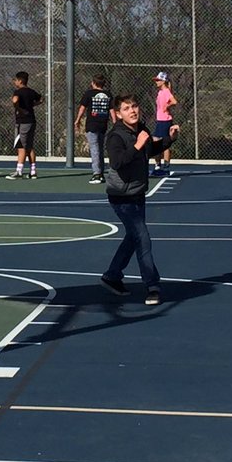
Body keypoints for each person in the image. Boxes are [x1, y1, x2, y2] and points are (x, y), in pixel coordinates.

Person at [101, 95, 179, 305]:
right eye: (127, 108)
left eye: (134, 106)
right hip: (121, 197)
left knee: (133, 237)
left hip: (137, 193)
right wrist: (137, 145)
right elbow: (117, 162)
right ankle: (152, 286)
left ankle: (112, 275)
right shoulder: (115, 136)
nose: (132, 111)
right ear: (119, 114)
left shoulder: (141, 129)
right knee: (142, 238)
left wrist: (169, 139)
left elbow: (150, 149)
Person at [75, 74, 113, 185]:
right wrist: (115, 122)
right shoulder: (108, 94)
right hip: (103, 124)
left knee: (94, 148)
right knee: (99, 148)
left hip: (92, 124)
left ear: (93, 83)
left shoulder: (89, 94)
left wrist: (77, 120)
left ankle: (97, 173)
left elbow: (82, 108)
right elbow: (112, 110)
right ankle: (100, 171)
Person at [6, 70, 42, 179]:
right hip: (31, 121)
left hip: (23, 122)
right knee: (29, 146)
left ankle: (19, 171)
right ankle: (33, 171)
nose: (15, 82)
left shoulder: (18, 92)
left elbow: (15, 100)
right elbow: (40, 99)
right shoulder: (31, 92)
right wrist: (31, 105)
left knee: (21, 146)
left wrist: (18, 107)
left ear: (20, 81)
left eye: (16, 80)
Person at [150, 71, 177, 176]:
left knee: (163, 143)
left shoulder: (166, 92)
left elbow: (174, 101)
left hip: (165, 121)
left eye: (158, 80)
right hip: (160, 120)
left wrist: (167, 106)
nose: (156, 82)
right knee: (157, 142)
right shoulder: (161, 92)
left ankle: (165, 167)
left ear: (163, 81)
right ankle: (158, 165)